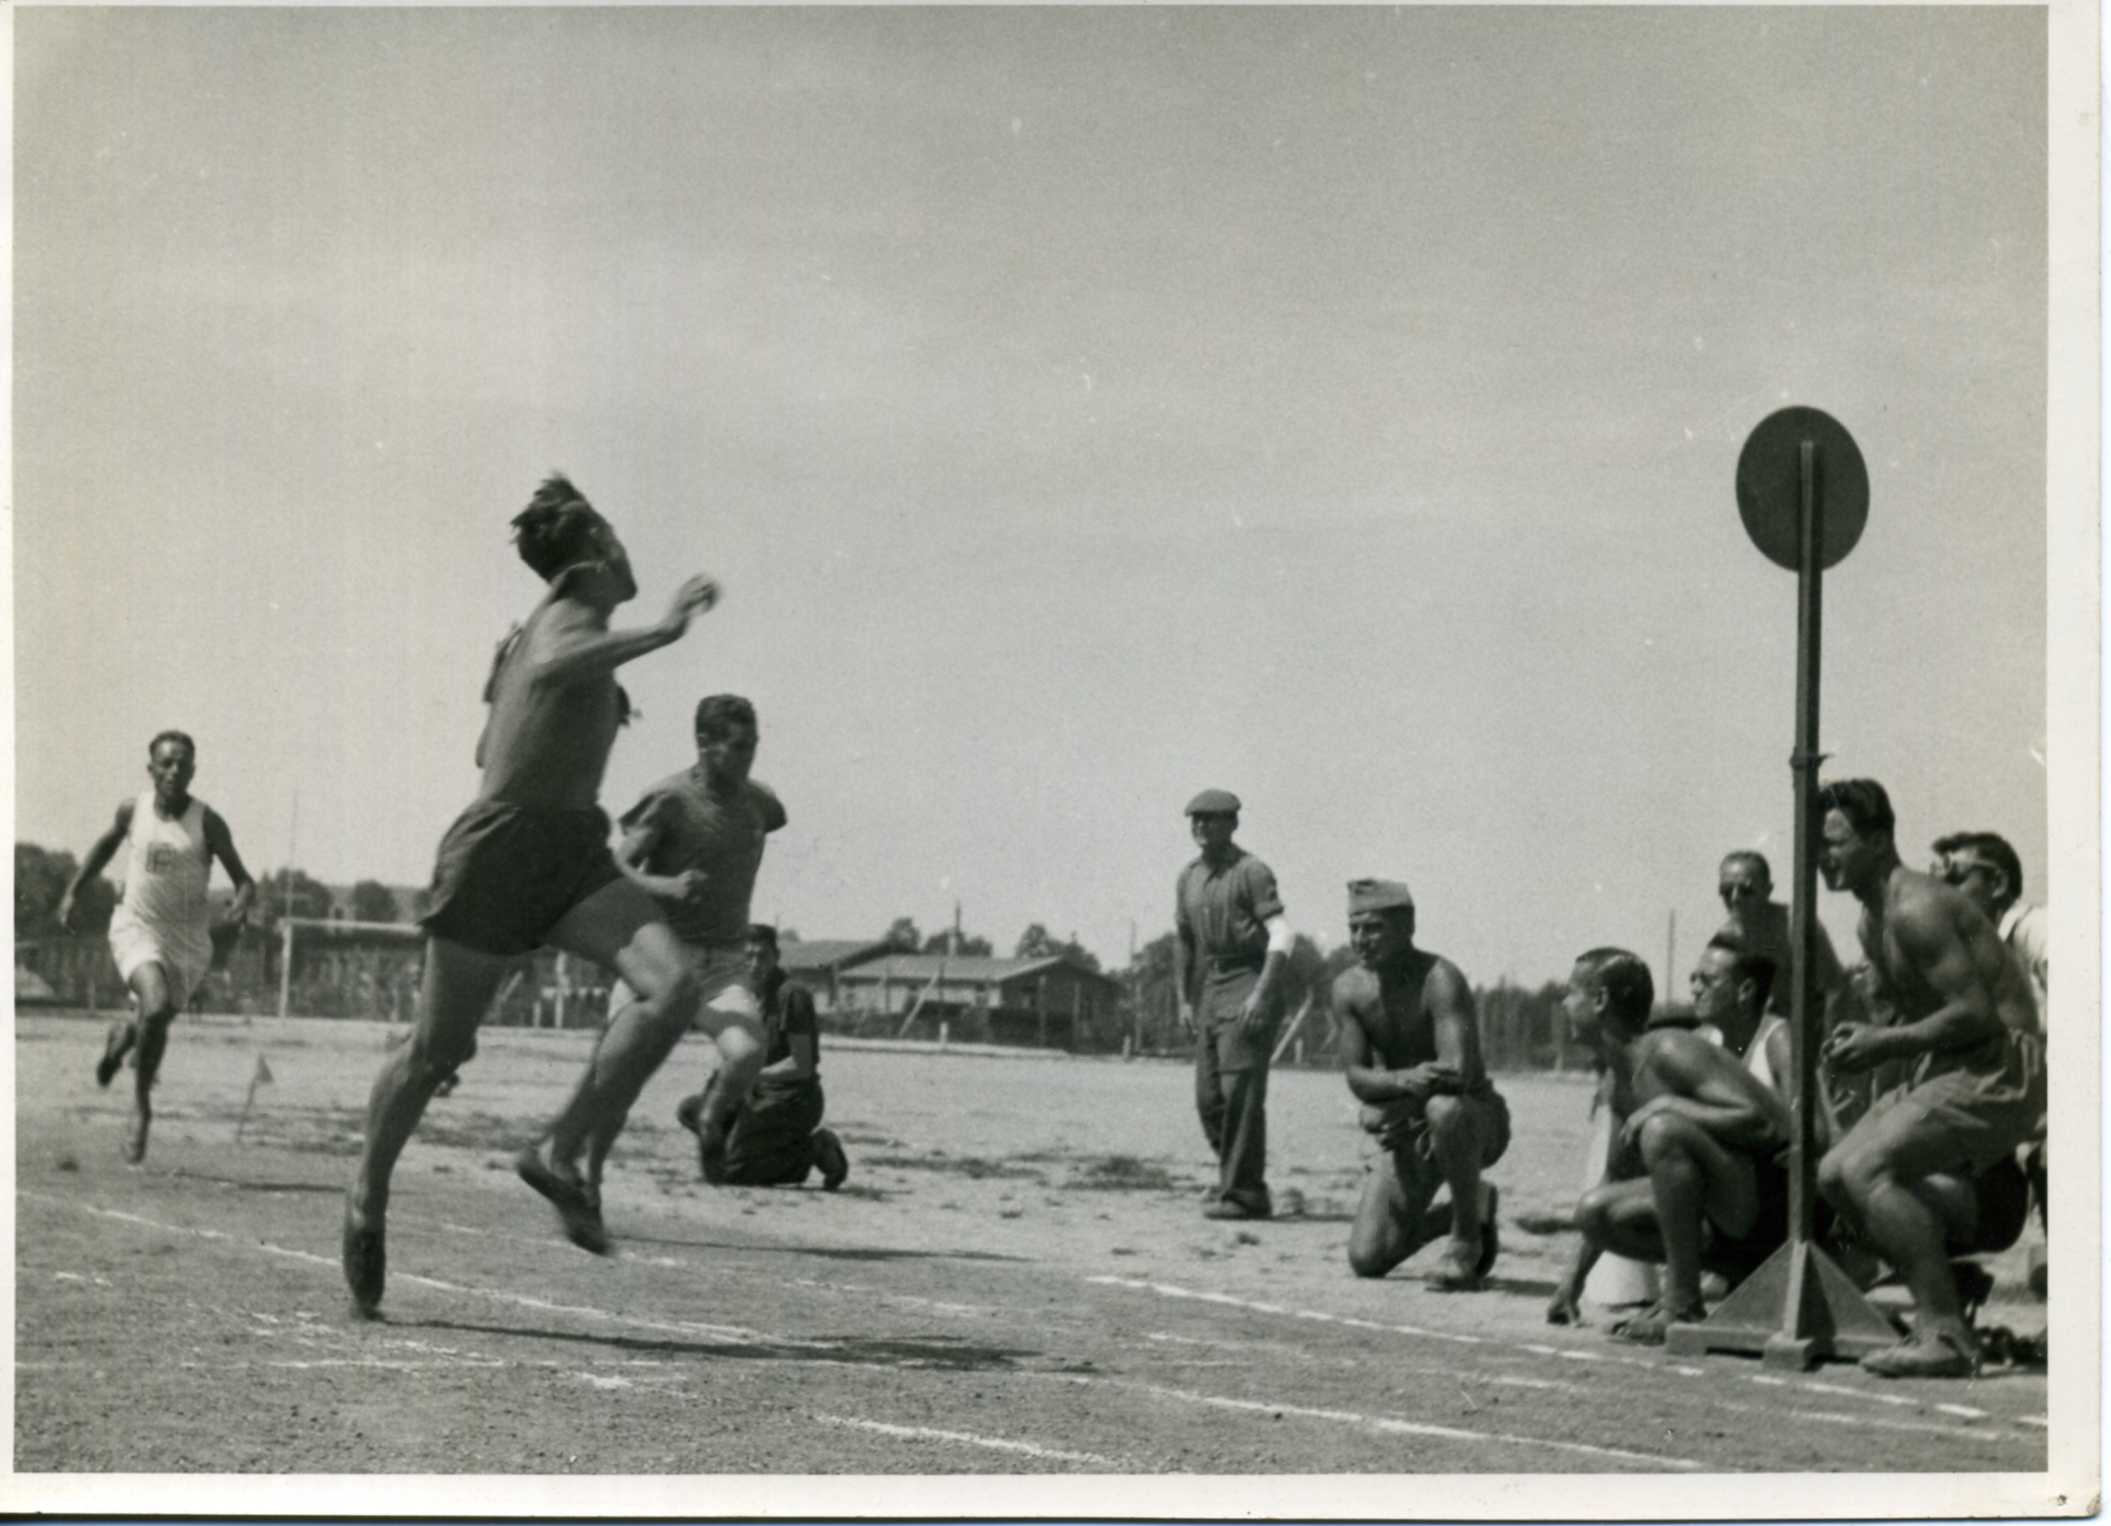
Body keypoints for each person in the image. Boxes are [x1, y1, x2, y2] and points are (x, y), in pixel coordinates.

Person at [343, 473, 721, 1319]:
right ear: (589, 556)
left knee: (674, 989)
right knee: (436, 1053)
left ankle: (560, 1150)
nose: (628, 554)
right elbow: (550, 666)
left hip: (573, 849)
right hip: (501, 851)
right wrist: (662, 627)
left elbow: (492, 736)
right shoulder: (559, 625)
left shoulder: (550, 635)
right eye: (617, 539)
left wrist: (512, 698)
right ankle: (367, 1192)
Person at [1812, 778, 2046, 1377]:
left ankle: (1945, 1335)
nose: (1822, 857)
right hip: (1951, 1064)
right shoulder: (1871, 923)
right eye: (1816, 844)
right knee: (1836, 1172)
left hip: (2002, 1065)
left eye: (1835, 842)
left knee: (1867, 1168)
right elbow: (1913, 1021)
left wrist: (1883, 1042)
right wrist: (1862, 1061)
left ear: (1880, 839)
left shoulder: (1916, 907)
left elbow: (1975, 1014)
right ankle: (1945, 1281)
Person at [586, 694, 785, 1189]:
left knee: (745, 1053)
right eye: (737, 747)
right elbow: (613, 867)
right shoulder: (672, 799)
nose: (748, 757)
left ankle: (709, 1118)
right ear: (703, 744)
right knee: (614, 1084)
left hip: (721, 964)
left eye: (753, 745)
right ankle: (586, 1182)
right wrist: (666, 886)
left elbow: (767, 820)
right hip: (659, 960)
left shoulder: (762, 803)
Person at [1545, 947, 1791, 1343]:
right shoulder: (1618, 1077)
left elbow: (1766, 1124)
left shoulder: (1670, 1049)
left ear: (1600, 1000)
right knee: (1595, 1212)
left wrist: (1669, 1103)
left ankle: (1682, 1304)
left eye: (1571, 991)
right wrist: (1571, 1282)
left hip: (1778, 1211)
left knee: (1662, 1130)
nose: (1563, 1002)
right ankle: (1727, 1278)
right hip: (1733, 1222)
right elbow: (1615, 1174)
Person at [59, 731, 256, 1163]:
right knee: (156, 1003)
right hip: (136, 926)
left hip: (187, 941)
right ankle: (141, 1108)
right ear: (151, 770)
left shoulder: (207, 822)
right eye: (165, 763)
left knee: (156, 1017)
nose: (174, 771)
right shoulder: (134, 810)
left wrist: (240, 907)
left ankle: (123, 1037)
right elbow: (106, 844)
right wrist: (74, 891)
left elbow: (244, 879)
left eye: (183, 764)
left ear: (193, 771)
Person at [1331, 878, 1507, 1288]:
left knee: (1444, 1109)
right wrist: (1401, 1084)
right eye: (1354, 928)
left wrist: (1393, 1101)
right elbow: (1357, 1077)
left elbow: (1457, 1071)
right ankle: (1465, 1211)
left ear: (1407, 927)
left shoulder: (1440, 978)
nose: (1362, 939)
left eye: (1374, 928)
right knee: (1367, 1258)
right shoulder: (1348, 989)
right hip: (1410, 1128)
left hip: (1472, 1120)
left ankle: (1465, 1242)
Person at [1175, 789, 1291, 1220]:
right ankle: (1239, 1181)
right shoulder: (1188, 877)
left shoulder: (1252, 871)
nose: (1202, 826)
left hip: (1250, 978)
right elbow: (1185, 942)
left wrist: (1262, 993)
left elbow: (1282, 934)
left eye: (1212, 819)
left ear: (1233, 824)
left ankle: (1243, 1194)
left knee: (1239, 1093)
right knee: (1209, 1099)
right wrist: (1184, 1000)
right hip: (1210, 986)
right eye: (1196, 820)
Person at [673, 925, 849, 1190]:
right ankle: (751, 1149)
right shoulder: (744, 996)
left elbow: (801, 1066)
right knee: (691, 1111)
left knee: (729, 1173)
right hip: (755, 1095)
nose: (755, 964)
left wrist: (751, 1075)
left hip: (791, 1099)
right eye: (748, 957)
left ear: (776, 957)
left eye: (762, 956)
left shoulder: (791, 995)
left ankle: (814, 1149)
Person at [1715, 850, 1846, 1020]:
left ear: (1768, 890)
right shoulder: (1726, 938)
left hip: (1815, 1025)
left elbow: (1834, 990)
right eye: (1726, 890)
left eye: (1745, 891)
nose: (1735, 898)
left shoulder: (1795, 925)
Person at [1688, 934, 1789, 1095]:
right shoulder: (1704, 1040)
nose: (1696, 989)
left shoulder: (1778, 1041)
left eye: (1708, 980)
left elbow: (1805, 1119)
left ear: (1745, 990)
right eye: (1693, 979)